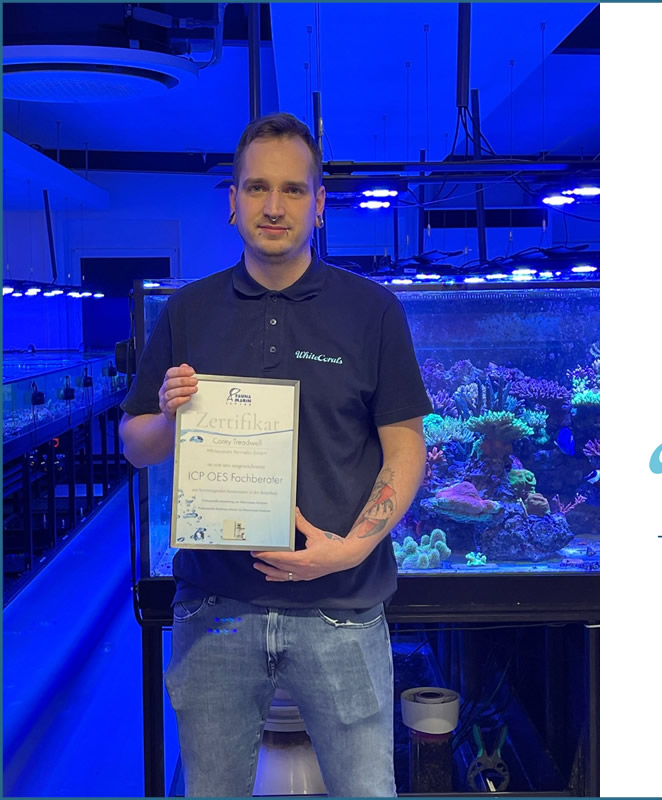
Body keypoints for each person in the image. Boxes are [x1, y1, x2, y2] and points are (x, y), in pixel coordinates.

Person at [120, 112, 431, 797]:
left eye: (293, 190)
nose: (273, 206)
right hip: (216, 608)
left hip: (341, 608)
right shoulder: (188, 311)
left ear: (318, 204)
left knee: (366, 791)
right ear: (232, 200)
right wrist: (168, 416)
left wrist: (349, 550)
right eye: (257, 187)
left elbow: (406, 446)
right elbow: (136, 446)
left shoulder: (373, 311)